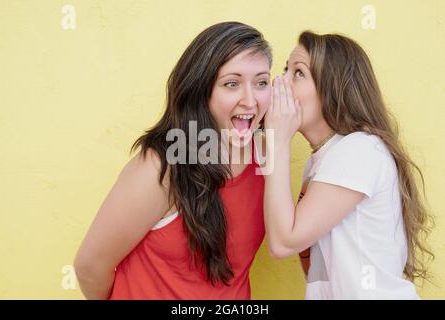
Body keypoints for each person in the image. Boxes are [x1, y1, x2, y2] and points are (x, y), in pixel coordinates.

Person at [73, 21, 273, 300]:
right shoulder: (161, 167)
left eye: (262, 82)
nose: (250, 101)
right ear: (201, 91)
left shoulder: (267, 156)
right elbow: (89, 268)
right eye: (232, 84)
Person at [263, 31, 434, 299]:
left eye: (298, 73)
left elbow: (283, 242)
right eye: (286, 70)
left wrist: (277, 141)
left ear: (332, 87)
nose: (279, 82)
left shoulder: (359, 150)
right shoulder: (324, 159)